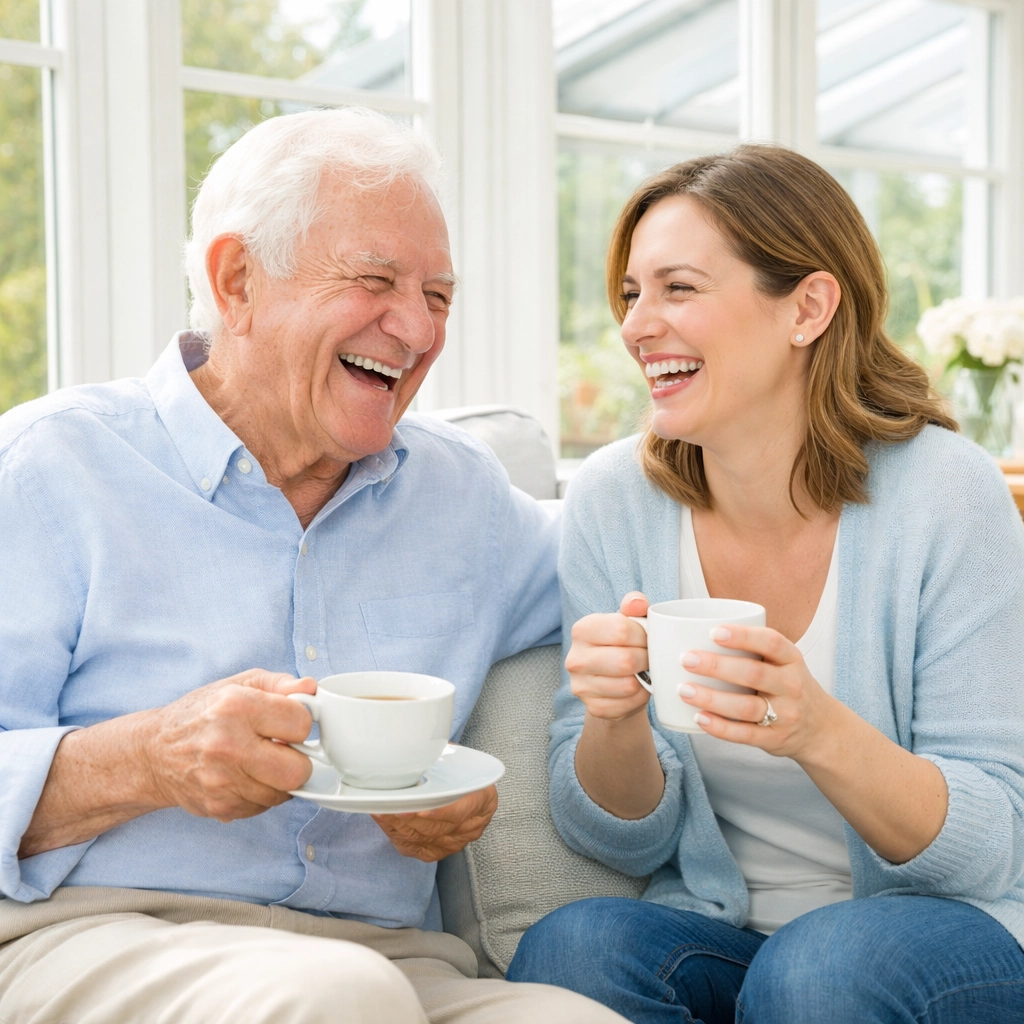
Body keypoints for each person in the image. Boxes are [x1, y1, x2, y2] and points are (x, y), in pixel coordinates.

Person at [0, 108, 625, 1024]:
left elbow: (629, 577)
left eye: (440, 296)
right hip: (86, 935)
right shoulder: (50, 467)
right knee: (340, 999)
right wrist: (146, 760)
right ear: (237, 278)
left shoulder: (467, 498)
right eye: (375, 280)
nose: (415, 327)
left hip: (389, 957)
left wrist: (452, 800)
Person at [506, 145, 1024, 1023]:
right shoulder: (612, 500)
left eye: (679, 288)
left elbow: (989, 846)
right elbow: (613, 833)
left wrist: (817, 730)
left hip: (953, 931)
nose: (636, 324)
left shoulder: (947, 492)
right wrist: (612, 717)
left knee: (820, 972)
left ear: (808, 307)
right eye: (633, 294)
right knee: (572, 948)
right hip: (725, 930)